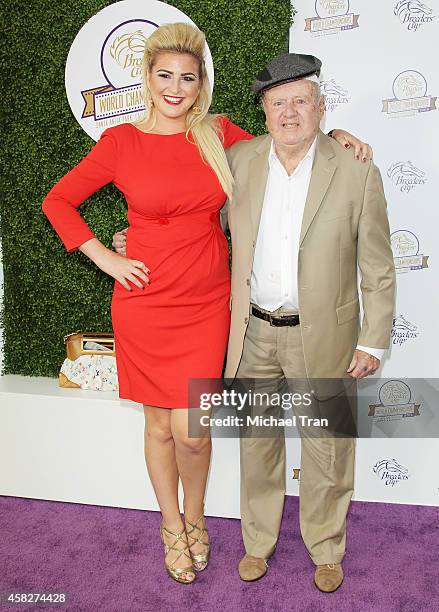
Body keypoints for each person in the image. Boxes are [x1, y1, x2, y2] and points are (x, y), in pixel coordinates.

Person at [43, 22, 372, 586]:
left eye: (187, 79)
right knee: (158, 428)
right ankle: (174, 528)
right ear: (146, 79)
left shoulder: (219, 134)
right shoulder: (120, 143)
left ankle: (198, 519)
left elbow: (286, 141)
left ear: (201, 85)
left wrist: (335, 130)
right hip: (144, 304)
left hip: (207, 305)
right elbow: (59, 201)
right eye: (164, 75)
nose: (176, 88)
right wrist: (107, 257)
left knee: (192, 431)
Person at [220, 53, 396, 592]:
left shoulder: (356, 167)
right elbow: (198, 221)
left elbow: (378, 263)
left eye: (301, 101)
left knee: (328, 447)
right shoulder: (237, 160)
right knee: (257, 442)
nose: (290, 113)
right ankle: (258, 543)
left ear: (322, 108)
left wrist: (373, 338)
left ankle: (325, 548)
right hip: (252, 335)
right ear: (264, 113)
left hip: (325, 336)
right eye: (278, 104)